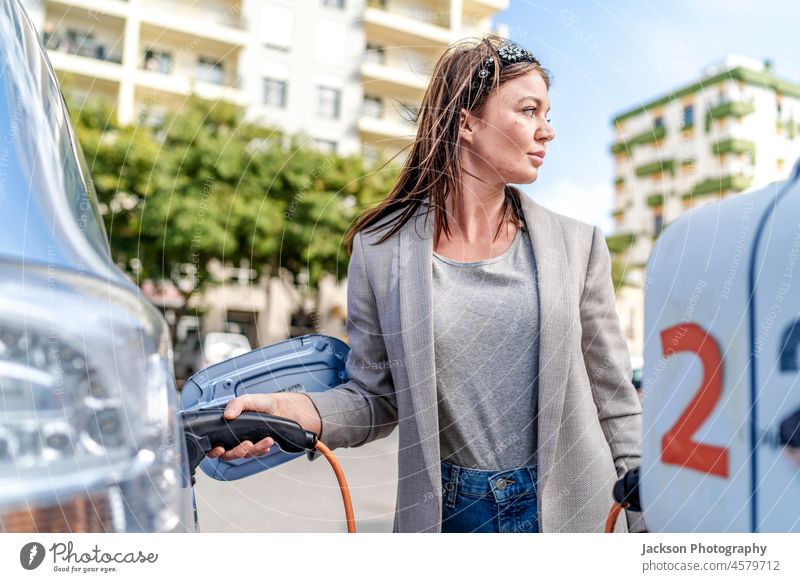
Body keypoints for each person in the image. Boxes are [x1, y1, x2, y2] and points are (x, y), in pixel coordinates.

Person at [207, 35, 644, 533]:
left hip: (576, 515)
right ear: (466, 123)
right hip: (448, 517)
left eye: (547, 114)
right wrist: (291, 411)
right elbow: (374, 398)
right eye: (528, 110)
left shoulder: (579, 246)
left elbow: (615, 400)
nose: (547, 132)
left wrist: (647, 507)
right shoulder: (379, 252)